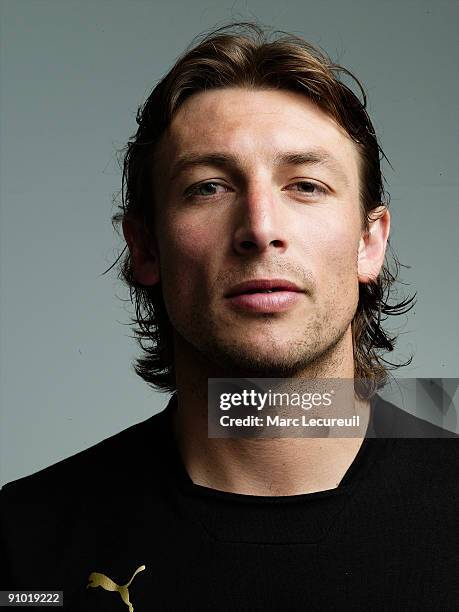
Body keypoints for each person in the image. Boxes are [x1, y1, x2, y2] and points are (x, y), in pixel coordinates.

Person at [1, 22, 457, 611]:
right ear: (145, 248)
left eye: (307, 185)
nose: (261, 228)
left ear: (371, 244)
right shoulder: (25, 544)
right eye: (209, 187)